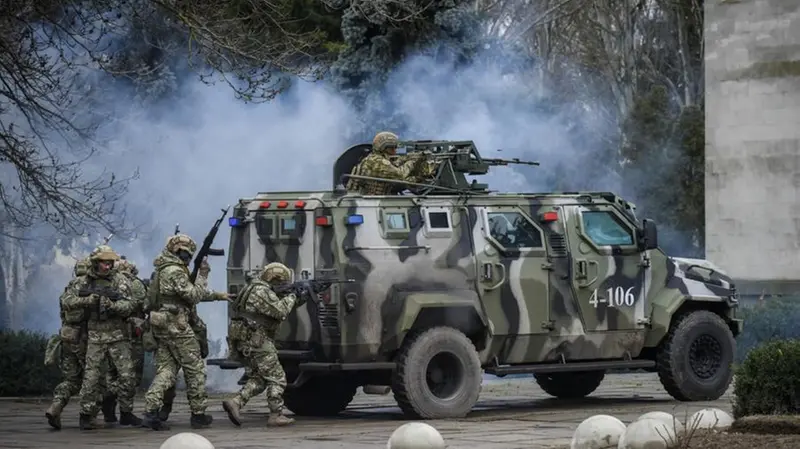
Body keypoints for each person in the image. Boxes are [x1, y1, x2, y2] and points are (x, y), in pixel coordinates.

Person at [141, 234, 230, 431]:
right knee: (195, 369)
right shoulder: (174, 271)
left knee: (166, 371)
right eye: (186, 253)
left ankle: (151, 411)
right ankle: (198, 414)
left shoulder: (162, 270)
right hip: (177, 326)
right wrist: (204, 275)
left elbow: (182, 296)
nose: (188, 258)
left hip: (162, 326)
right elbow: (193, 295)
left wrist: (218, 296)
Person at [61, 245, 140, 430]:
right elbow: (66, 301)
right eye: (105, 263)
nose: (108, 267)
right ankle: (86, 415)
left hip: (117, 335)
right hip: (95, 336)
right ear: (96, 263)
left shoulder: (120, 280)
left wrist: (112, 306)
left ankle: (126, 413)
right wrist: (87, 301)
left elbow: (129, 305)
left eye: (110, 263)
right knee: (91, 378)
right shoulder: (83, 282)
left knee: (128, 376)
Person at [221, 262, 306, 427]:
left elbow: (273, 308)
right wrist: (293, 296)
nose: (283, 285)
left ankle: (236, 402)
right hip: (257, 342)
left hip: (247, 342)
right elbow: (280, 311)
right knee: (278, 378)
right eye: (282, 282)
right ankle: (276, 414)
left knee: (260, 379)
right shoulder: (261, 291)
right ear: (276, 279)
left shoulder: (253, 288)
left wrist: (298, 297)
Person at [45, 258, 114, 429]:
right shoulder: (87, 288)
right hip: (85, 339)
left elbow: (64, 305)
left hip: (67, 337)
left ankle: (56, 406)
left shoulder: (70, 287)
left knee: (72, 380)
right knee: (96, 378)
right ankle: (89, 415)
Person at [101, 257, 148, 424]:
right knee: (131, 376)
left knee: (112, 373)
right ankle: (124, 411)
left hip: (111, 335)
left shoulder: (108, 283)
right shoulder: (134, 284)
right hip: (131, 336)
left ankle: (109, 406)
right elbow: (145, 305)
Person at [345, 131, 429, 195]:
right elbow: (400, 174)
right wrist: (413, 161)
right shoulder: (377, 162)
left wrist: (408, 158)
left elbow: (394, 170)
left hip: (371, 199)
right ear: (383, 148)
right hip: (369, 201)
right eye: (392, 148)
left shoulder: (373, 158)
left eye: (395, 148)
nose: (395, 151)